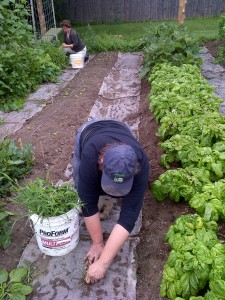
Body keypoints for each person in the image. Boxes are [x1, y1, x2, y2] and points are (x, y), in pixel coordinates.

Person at [72, 119, 150, 284]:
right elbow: (87, 201)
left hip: (122, 129)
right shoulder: (91, 154)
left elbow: (129, 214)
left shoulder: (141, 163)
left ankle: (112, 187)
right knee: (82, 186)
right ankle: (99, 183)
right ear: (101, 162)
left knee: (121, 197)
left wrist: (103, 263)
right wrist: (97, 243)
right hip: (88, 132)